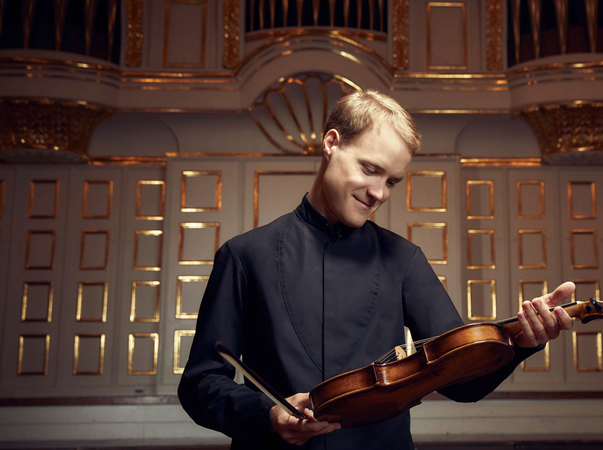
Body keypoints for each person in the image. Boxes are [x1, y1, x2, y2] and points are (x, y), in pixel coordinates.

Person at [177, 90, 575, 449]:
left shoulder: (405, 260)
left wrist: (522, 342)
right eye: (370, 169)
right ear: (331, 143)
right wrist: (267, 414)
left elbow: (461, 384)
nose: (379, 193)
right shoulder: (244, 255)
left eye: (392, 181)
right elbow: (200, 385)